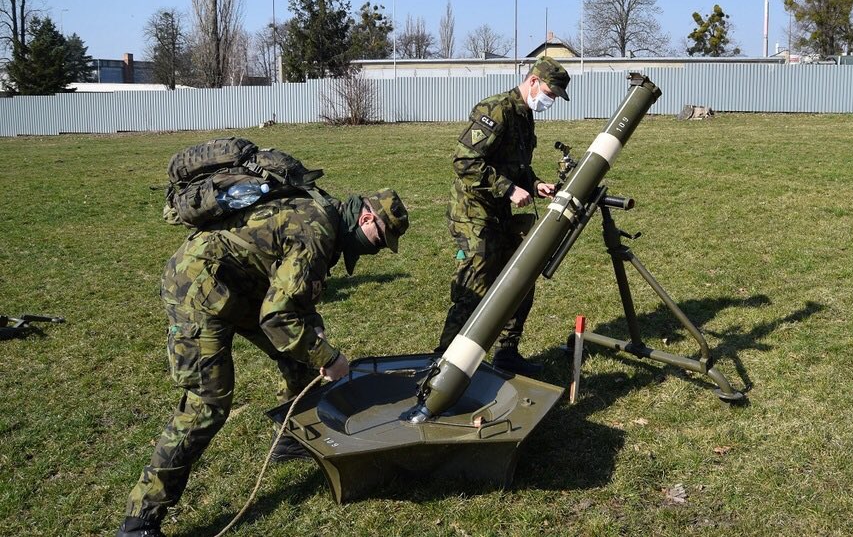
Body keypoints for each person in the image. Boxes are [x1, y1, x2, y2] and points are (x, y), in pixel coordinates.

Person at [115, 188, 409, 537]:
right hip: (196, 289)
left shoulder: (323, 216)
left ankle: (287, 441)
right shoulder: (317, 230)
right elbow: (277, 318)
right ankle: (140, 520)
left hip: (238, 287)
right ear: (365, 218)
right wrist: (328, 357)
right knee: (207, 404)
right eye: (381, 236)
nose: (377, 248)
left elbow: (289, 286)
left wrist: (312, 327)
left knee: (299, 364)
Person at [434, 56, 570, 375]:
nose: (549, 101)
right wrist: (509, 189)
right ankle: (441, 364)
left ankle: (507, 352)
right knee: (475, 284)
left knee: (520, 278)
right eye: (549, 93)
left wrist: (535, 184)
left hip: (500, 212)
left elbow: (518, 165)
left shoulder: (525, 118)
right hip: (473, 213)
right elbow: (465, 162)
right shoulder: (496, 109)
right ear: (533, 81)